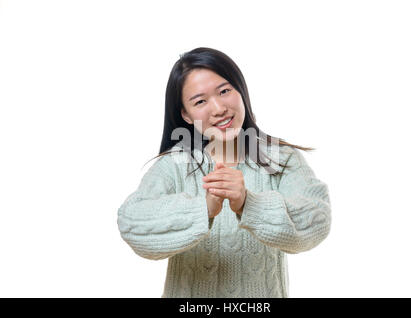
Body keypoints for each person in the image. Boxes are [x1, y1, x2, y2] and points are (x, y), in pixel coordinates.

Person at [117, 47, 332, 298]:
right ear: (185, 114)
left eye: (224, 91)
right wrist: (203, 209)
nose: (218, 108)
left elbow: (318, 220)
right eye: (200, 101)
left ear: (241, 91)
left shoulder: (281, 159)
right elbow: (132, 224)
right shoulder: (174, 164)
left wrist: (248, 203)